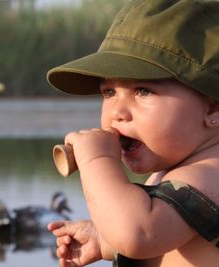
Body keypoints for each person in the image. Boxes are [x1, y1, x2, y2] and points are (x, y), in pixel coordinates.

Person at [46, 0, 219, 266]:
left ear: (213, 109)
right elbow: (159, 236)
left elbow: (139, 233)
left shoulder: (210, 174)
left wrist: (97, 161)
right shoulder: (170, 176)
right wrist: (106, 241)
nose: (118, 112)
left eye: (143, 91)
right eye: (109, 92)